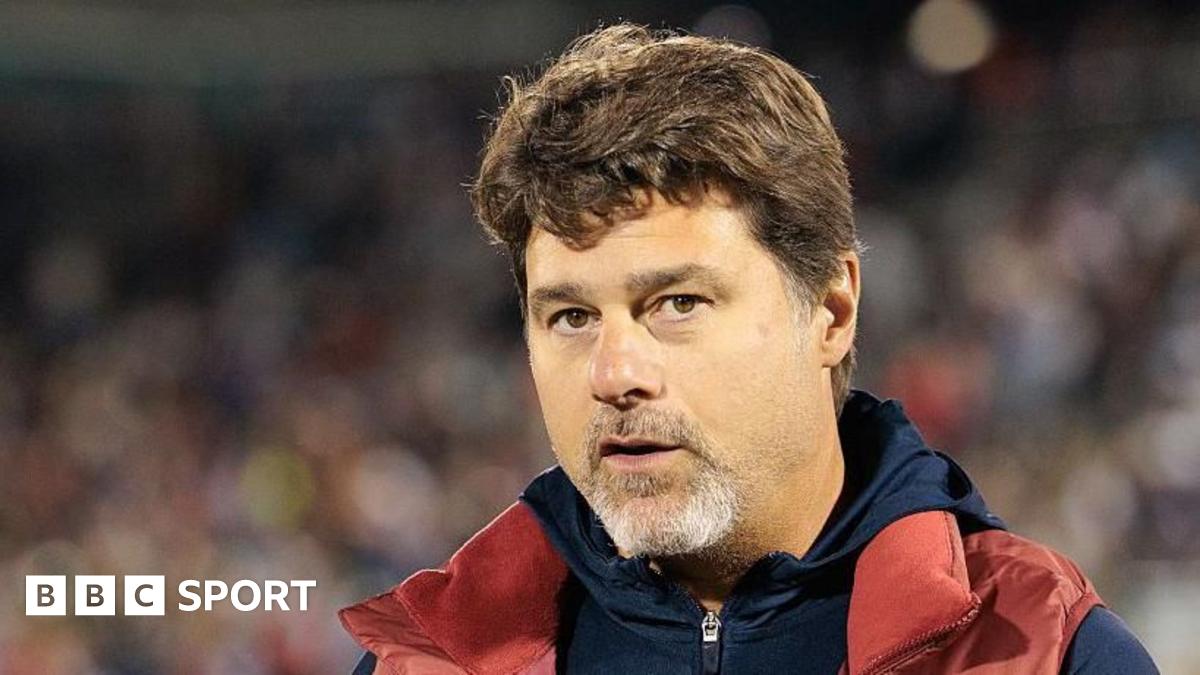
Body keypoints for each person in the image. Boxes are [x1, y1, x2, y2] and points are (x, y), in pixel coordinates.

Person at [340, 24, 1158, 674]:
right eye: (571, 317)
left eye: (678, 303)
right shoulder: (425, 657)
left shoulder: (1045, 650)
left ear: (831, 309)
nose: (614, 373)